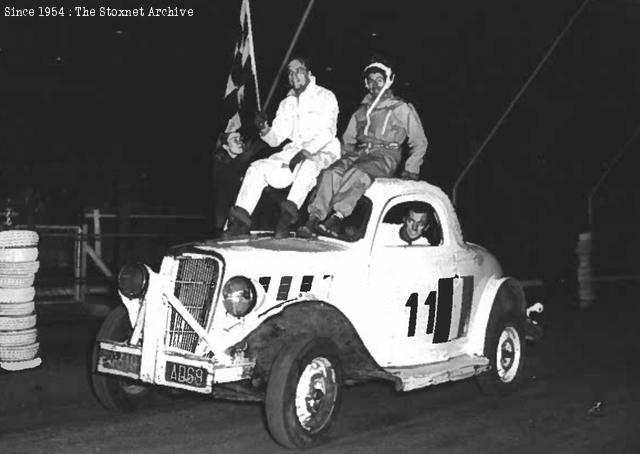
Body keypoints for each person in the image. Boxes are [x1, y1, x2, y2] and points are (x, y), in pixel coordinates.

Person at [298, 56, 428, 238]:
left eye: (379, 80)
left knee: (359, 173)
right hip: (361, 153)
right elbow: (348, 139)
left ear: (388, 81)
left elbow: (420, 140)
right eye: (371, 81)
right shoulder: (362, 110)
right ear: (366, 84)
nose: (375, 85)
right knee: (331, 173)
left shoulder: (400, 108)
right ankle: (313, 218)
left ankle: (338, 217)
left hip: (385, 155)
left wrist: (411, 168)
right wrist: (346, 159)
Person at [223, 57, 341, 239]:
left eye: (299, 71)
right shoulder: (287, 103)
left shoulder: (325, 96)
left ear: (309, 73)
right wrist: (264, 128)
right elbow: (276, 139)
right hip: (293, 152)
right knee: (256, 169)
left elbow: (328, 131)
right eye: (290, 73)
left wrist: (305, 153)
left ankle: (285, 221)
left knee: (307, 167)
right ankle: (240, 222)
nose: (294, 76)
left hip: (323, 150)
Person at [212, 130, 259, 231]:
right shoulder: (219, 165)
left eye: (240, 139)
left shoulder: (246, 163)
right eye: (235, 140)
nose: (240, 142)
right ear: (225, 146)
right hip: (224, 217)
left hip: (244, 213)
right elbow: (233, 170)